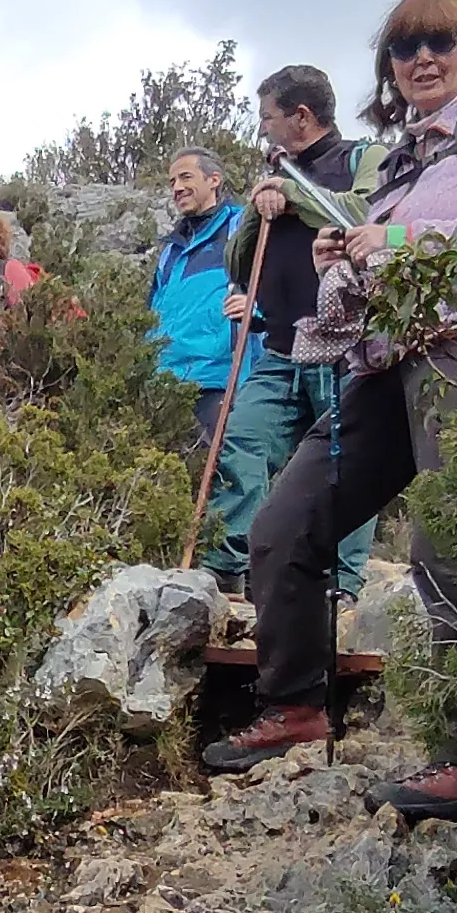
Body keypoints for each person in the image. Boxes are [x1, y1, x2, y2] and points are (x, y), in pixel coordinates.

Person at [202, 0, 457, 815]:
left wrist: (397, 240)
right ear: (388, 69)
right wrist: (349, 249)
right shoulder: (403, 157)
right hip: (385, 362)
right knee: (284, 525)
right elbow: (387, 254)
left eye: (440, 41)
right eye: (405, 49)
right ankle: (293, 706)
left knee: (454, 545)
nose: (422, 59)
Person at [218, 68, 388, 600]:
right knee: (240, 442)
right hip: (278, 350)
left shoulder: (365, 160)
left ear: (301, 116)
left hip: (344, 349)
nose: (263, 128)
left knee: (345, 465)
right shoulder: (274, 176)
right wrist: (258, 205)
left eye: (268, 116)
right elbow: (238, 264)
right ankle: (228, 567)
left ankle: (342, 581)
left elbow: (362, 214)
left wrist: (291, 194)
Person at [152, 149, 266, 590]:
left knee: (232, 471)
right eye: (171, 181)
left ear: (214, 179)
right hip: (167, 377)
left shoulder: (242, 227)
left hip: (220, 370)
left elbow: (268, 279)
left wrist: (258, 310)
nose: (177, 188)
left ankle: (232, 573)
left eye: (185, 177)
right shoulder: (169, 250)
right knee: (180, 477)